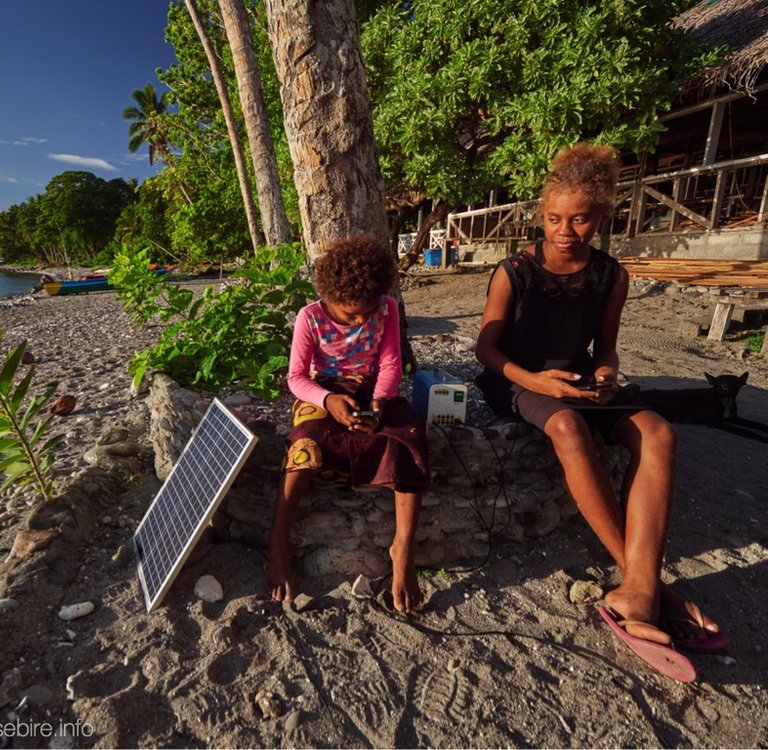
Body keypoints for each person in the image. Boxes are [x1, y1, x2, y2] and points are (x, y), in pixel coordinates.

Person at [474, 142, 724, 655]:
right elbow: (486, 350)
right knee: (566, 426)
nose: (565, 231)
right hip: (520, 381)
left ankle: (638, 588)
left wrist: (608, 370)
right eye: (554, 218)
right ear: (542, 215)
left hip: (581, 379)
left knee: (659, 432)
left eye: (580, 219)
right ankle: (644, 585)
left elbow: (605, 345)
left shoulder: (612, 275)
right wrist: (537, 382)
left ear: (602, 218)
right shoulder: (514, 271)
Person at [267, 236, 431, 614]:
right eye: (351, 314)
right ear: (328, 297)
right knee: (305, 443)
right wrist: (328, 401)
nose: (361, 320)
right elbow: (295, 378)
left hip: (374, 390)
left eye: (366, 312)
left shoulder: (386, 309)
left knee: (409, 438)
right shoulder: (309, 318)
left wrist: (378, 403)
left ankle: (402, 550)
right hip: (320, 390)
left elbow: (391, 365)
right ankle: (278, 540)